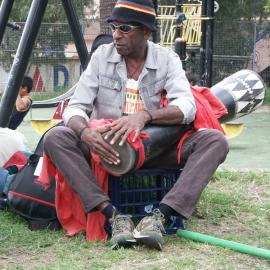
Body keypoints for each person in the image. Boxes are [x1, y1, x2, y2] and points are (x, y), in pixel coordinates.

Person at [43, 0, 229, 250]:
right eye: (114, 28)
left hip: (153, 149)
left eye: (125, 29)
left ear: (146, 32)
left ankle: (159, 218)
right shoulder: (101, 57)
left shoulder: (167, 59)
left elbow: (187, 107)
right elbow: (76, 106)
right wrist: (85, 132)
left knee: (215, 141)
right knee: (56, 137)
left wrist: (145, 116)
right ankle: (113, 216)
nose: (116, 35)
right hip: (106, 150)